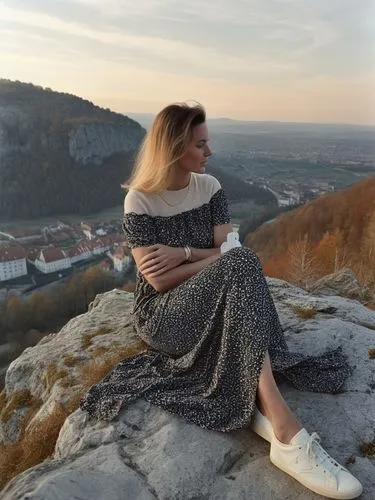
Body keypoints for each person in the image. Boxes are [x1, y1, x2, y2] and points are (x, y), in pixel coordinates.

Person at [80, 102, 363, 499]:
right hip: (165, 315)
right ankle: (284, 429)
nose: (209, 152)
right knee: (240, 264)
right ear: (175, 148)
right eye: (201, 144)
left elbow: (229, 249)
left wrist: (183, 253)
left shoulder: (209, 188)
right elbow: (160, 282)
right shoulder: (140, 201)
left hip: (213, 292)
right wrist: (209, 258)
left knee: (242, 262)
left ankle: (269, 413)